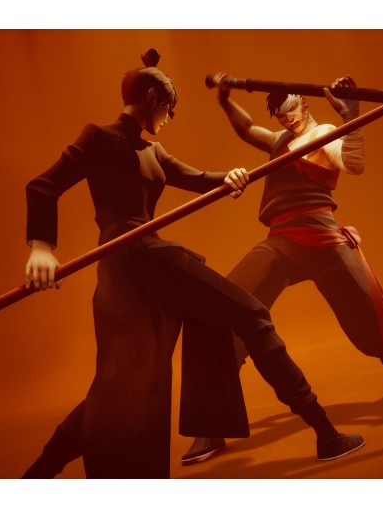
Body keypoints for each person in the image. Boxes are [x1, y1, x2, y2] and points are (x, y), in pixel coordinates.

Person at [20, 50, 364, 479]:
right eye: (169, 109)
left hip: (144, 265)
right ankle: (325, 432)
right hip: (131, 262)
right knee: (245, 317)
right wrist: (41, 247)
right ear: (151, 98)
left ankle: (36, 476)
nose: (171, 117)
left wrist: (230, 177)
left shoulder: (154, 151)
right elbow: (43, 186)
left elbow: (198, 179)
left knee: (120, 387)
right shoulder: (99, 137)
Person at [181, 72, 383, 466]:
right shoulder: (280, 140)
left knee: (371, 310)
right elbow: (247, 129)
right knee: (227, 310)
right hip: (282, 240)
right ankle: (213, 423)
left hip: (321, 237)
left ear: (303, 102)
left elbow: (354, 164)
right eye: (280, 115)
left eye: (291, 110)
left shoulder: (327, 134)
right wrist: (224, 100)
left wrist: (351, 115)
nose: (288, 119)